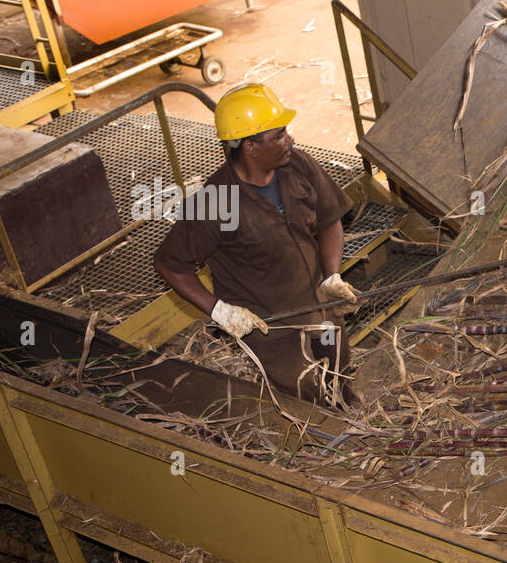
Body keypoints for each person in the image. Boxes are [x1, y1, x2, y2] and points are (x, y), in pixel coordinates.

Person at [153, 83, 359, 404]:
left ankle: (349, 410)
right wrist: (219, 311)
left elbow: (330, 219)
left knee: (339, 374)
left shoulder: (298, 167)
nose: (289, 139)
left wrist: (332, 276)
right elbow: (170, 264)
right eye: (278, 135)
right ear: (250, 148)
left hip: (321, 305)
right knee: (307, 395)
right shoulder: (217, 202)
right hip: (270, 328)